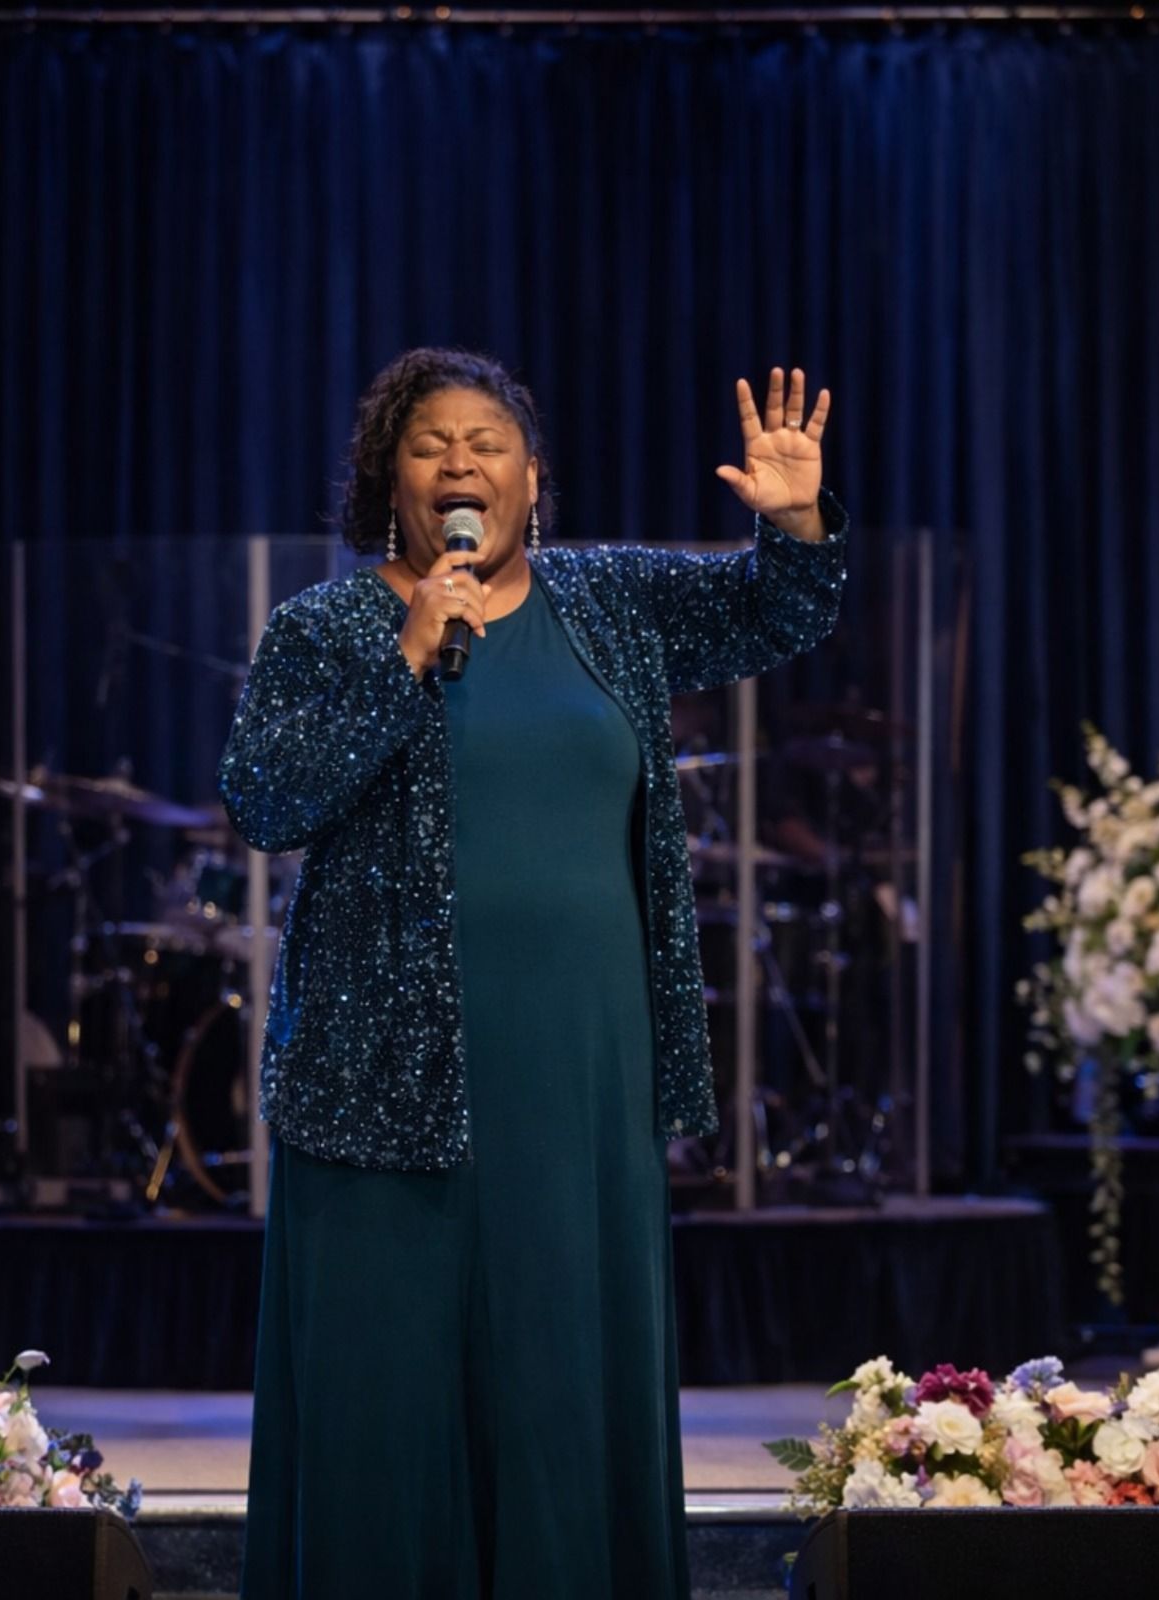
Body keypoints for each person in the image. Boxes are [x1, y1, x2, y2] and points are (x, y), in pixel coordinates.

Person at [218, 346, 848, 1599]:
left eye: (487, 441)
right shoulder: (329, 626)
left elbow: (780, 615)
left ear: (533, 476)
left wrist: (797, 524)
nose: (460, 461)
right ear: (385, 484)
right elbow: (264, 798)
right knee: (386, 1380)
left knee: (565, 1360)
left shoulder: (604, 600)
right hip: (382, 1072)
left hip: (578, 1063)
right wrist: (405, 654)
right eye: (428, 445)